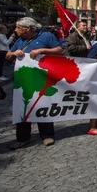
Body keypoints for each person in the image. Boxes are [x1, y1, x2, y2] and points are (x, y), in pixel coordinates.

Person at [6, 17, 63, 149]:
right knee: (22, 108)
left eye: (18, 27)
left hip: (42, 77)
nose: (15, 30)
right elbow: (8, 55)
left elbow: (59, 50)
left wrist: (41, 51)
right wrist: (14, 53)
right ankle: (23, 138)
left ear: (28, 29)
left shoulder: (46, 36)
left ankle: (47, 135)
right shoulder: (20, 40)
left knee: (42, 105)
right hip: (22, 79)